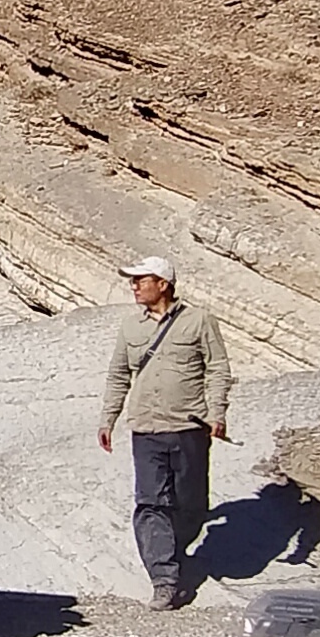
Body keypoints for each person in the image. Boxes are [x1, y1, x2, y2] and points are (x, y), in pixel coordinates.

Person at [97, 255, 233, 611]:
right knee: (151, 503)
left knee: (191, 503)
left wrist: (217, 412)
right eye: (133, 280)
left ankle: (174, 551)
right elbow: (118, 375)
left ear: (163, 284)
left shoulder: (199, 320)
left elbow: (218, 369)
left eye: (141, 280)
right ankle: (164, 580)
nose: (134, 286)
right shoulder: (130, 326)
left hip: (189, 428)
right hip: (146, 429)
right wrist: (108, 419)